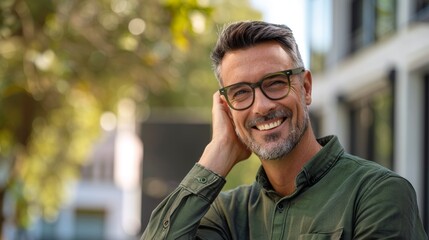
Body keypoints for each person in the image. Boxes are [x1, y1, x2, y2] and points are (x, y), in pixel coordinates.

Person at [141, 21, 427, 239]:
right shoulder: (227, 214)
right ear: (226, 108)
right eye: (241, 92)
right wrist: (216, 154)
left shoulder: (377, 194)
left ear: (305, 88)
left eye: (275, 83)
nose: (261, 106)